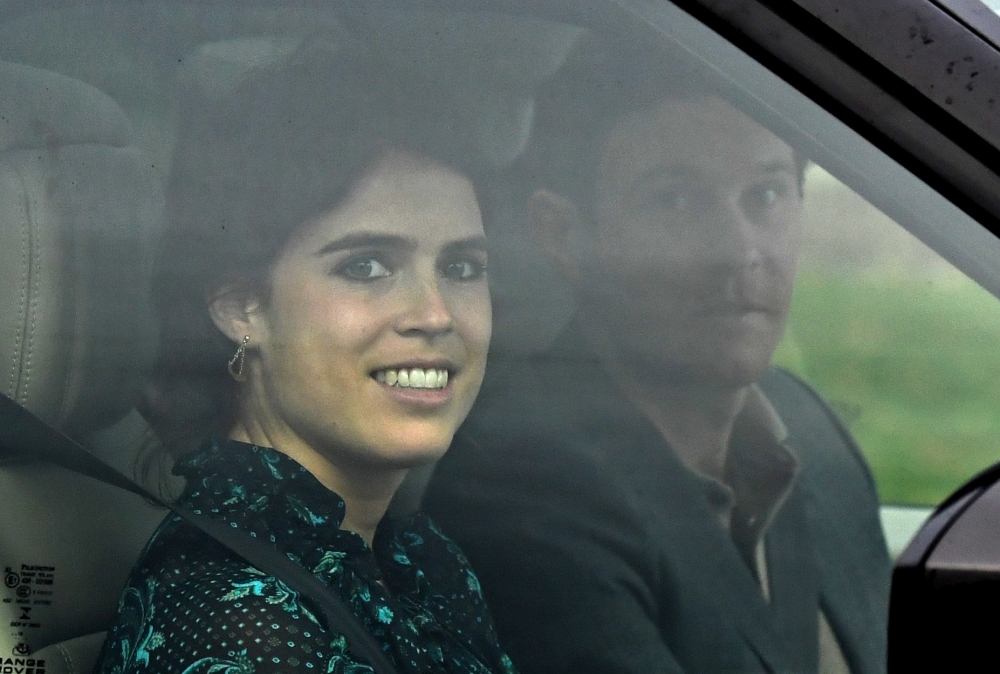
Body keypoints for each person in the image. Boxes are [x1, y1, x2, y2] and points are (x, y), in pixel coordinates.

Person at [424, 37, 891, 674]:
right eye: (673, 199)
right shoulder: (519, 482)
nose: (738, 250)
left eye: (767, 195)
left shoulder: (808, 428)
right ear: (564, 237)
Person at [93, 37, 517, 674]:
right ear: (244, 309)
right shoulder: (245, 622)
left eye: (461, 266)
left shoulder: (414, 559)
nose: (435, 314)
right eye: (366, 266)